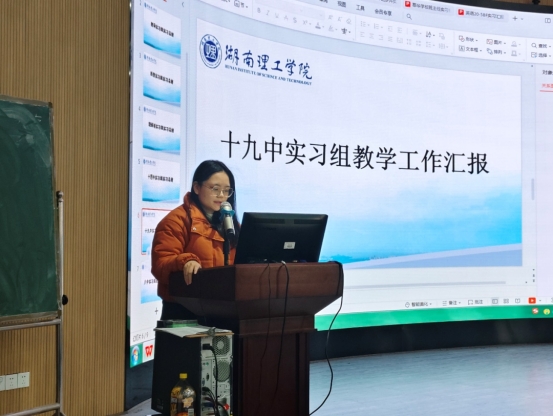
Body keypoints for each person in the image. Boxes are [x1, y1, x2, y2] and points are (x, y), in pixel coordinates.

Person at [151, 160, 240, 320]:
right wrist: (185, 261)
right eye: (215, 189)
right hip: (183, 311)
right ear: (197, 187)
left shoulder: (230, 224)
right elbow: (160, 265)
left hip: (223, 308)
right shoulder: (176, 221)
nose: (222, 195)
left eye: (227, 190)